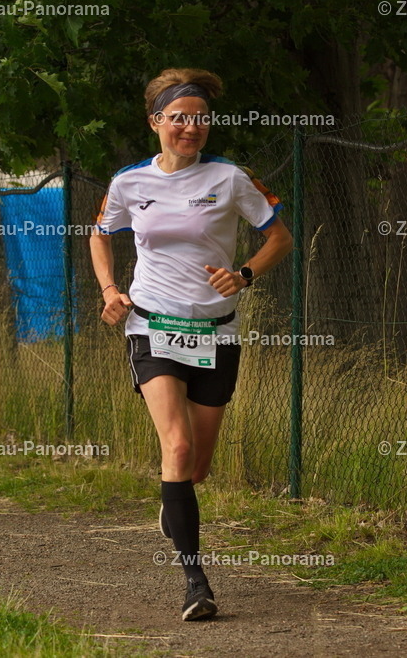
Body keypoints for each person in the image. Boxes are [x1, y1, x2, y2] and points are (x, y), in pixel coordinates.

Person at [89, 67, 293, 621]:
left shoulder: (230, 178)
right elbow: (100, 234)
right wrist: (110, 290)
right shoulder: (130, 182)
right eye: (180, 118)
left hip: (217, 333)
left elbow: (279, 237)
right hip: (152, 327)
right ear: (156, 122)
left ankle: (174, 501)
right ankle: (195, 582)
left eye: (201, 119)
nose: (191, 128)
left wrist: (245, 274)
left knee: (196, 467)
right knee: (175, 449)